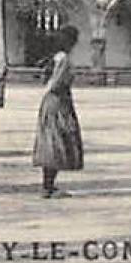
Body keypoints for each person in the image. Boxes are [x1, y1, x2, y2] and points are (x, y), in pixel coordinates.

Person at [32, 25, 84, 197]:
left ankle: (48, 184)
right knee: (56, 142)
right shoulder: (64, 60)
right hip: (58, 102)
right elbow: (56, 83)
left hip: (51, 102)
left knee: (52, 142)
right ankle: (48, 186)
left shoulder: (55, 58)